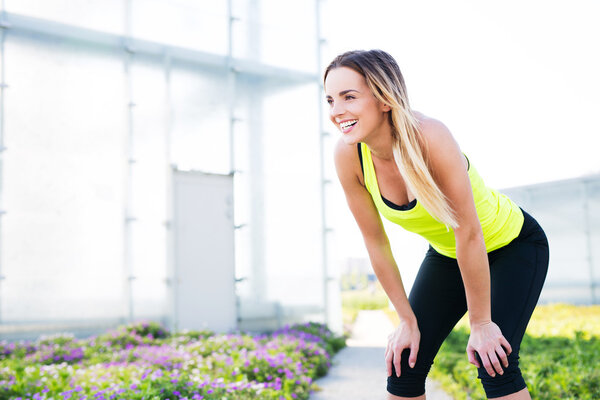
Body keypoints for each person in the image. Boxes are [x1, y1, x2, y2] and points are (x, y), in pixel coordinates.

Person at [323, 49, 549, 400]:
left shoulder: (430, 137)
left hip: (512, 245)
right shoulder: (348, 155)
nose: (337, 112)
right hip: (448, 254)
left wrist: (481, 323)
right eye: (330, 100)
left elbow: (469, 233)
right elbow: (376, 243)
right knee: (405, 363)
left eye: (349, 97)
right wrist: (406, 321)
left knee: (495, 362)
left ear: (384, 99)